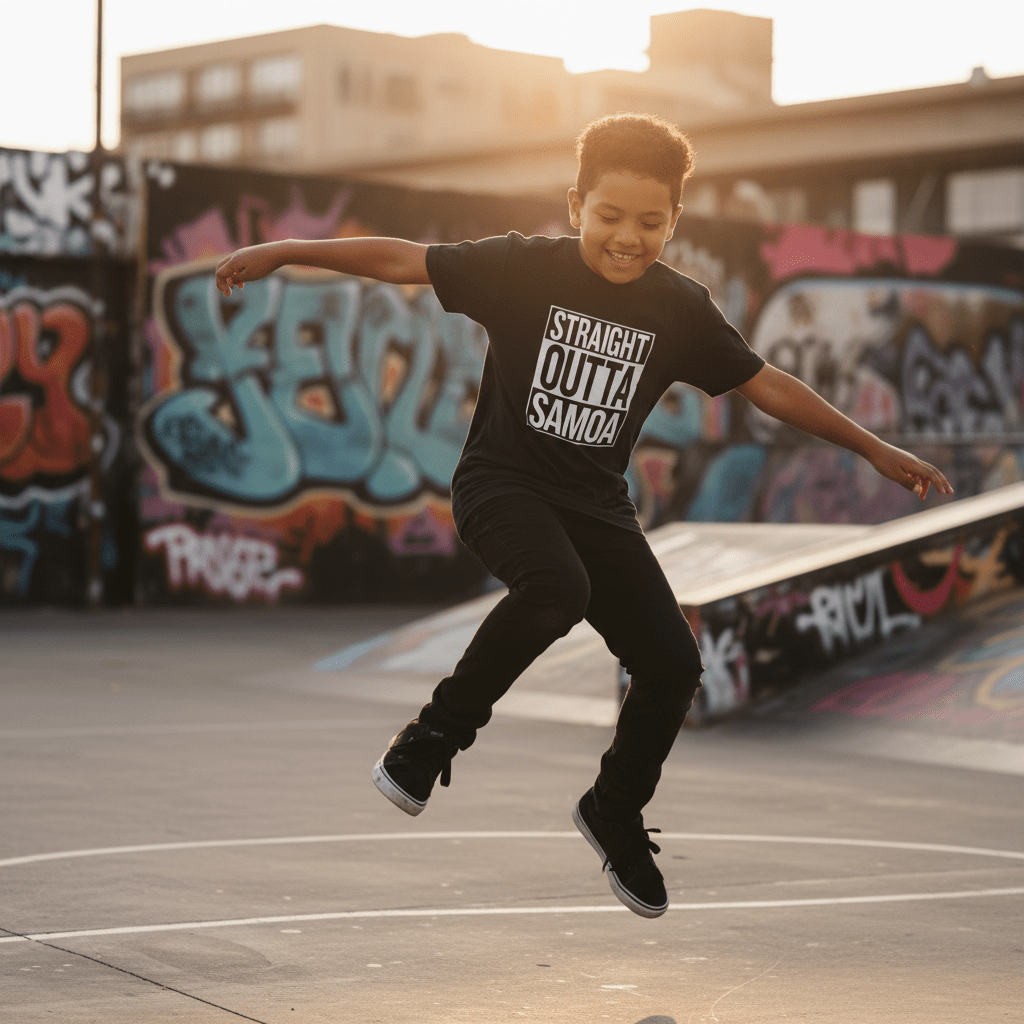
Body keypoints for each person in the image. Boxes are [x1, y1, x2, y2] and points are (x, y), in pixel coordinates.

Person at [215, 113, 953, 919]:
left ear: (674, 221)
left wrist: (871, 447)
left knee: (673, 663)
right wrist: (287, 250)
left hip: (597, 506)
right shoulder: (520, 268)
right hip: (501, 485)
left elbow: (765, 383)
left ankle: (613, 808)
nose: (628, 240)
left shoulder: (680, 308)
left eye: (650, 223)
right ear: (576, 207)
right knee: (555, 590)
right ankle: (433, 735)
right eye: (609, 217)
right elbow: (403, 259)